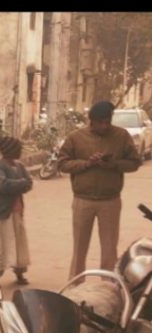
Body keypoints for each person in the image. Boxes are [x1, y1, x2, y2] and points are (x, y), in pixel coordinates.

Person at [58, 100, 142, 279]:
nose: (104, 126)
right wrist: (87, 163)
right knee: (79, 248)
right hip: (83, 200)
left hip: (110, 200)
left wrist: (114, 164)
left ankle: (107, 285)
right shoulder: (76, 137)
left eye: (107, 121)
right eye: (100, 122)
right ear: (92, 121)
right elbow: (62, 164)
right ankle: (75, 283)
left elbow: (135, 163)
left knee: (109, 249)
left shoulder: (121, 136)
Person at [0, 136, 33, 284]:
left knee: (18, 244)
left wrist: (19, 184)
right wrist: (21, 183)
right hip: (0, 213)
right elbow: (3, 185)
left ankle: (19, 273)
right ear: (9, 150)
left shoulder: (19, 166)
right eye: (17, 149)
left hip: (16, 211)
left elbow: (29, 183)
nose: (20, 151)